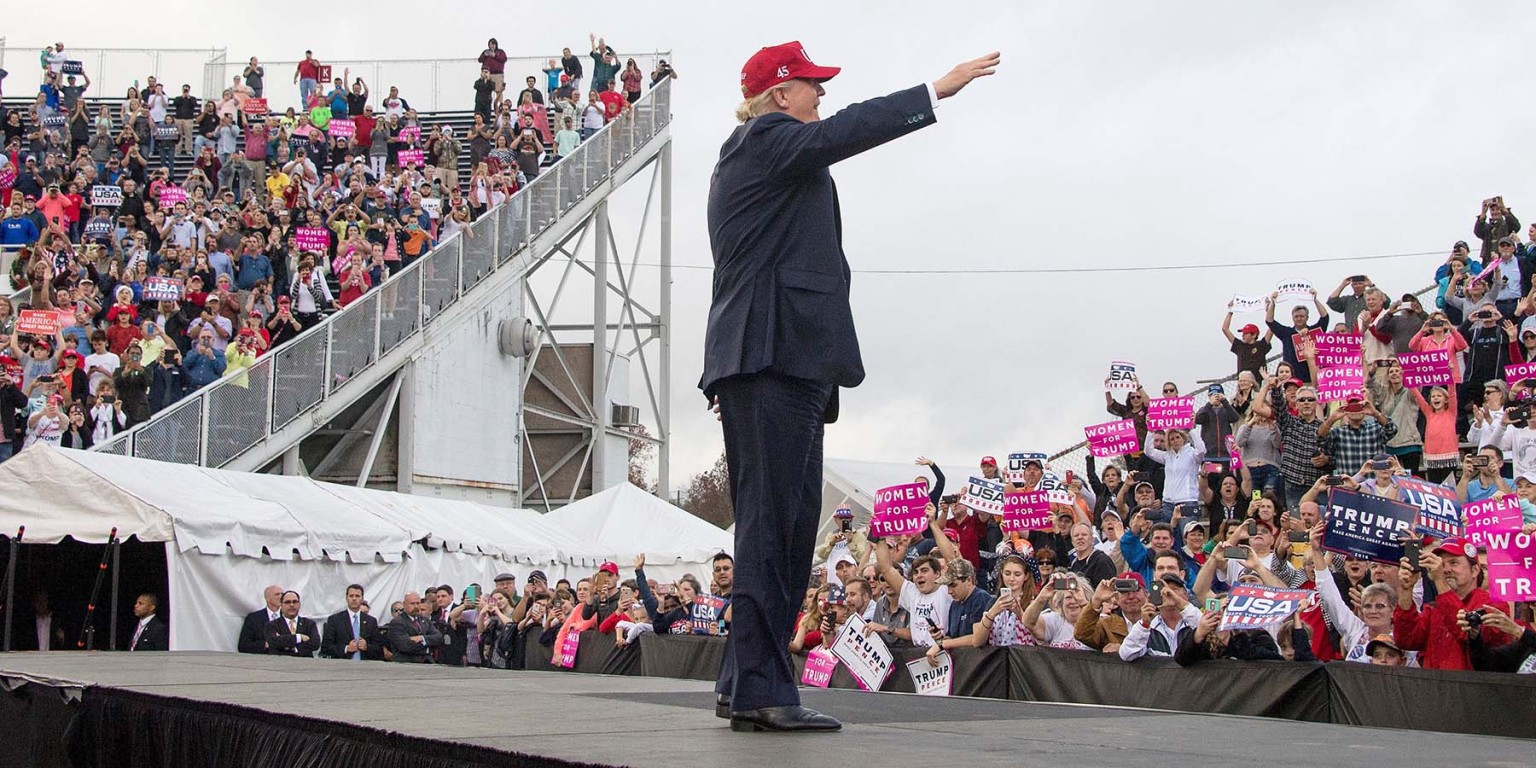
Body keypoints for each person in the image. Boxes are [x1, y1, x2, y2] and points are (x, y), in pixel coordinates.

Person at [701, 42, 998, 733]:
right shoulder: (766, 140)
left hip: (778, 358)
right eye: (812, 84)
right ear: (780, 95)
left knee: (779, 527)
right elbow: (845, 130)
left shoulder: (764, 154)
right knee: (776, 530)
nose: (822, 94)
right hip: (773, 358)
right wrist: (933, 91)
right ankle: (761, 691)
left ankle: (743, 679)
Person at [1394, 538, 1514, 670]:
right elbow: (1405, 640)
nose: (1445, 570)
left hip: (1473, 683)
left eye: (1454, 563)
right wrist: (1406, 590)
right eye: (1442, 564)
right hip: (1435, 682)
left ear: (1475, 570)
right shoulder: (1434, 608)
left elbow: (1467, 635)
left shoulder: (1494, 605)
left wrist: (1440, 580)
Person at [321, 583, 383, 661]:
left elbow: (379, 649)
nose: (354, 599)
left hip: (365, 665)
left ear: (362, 599)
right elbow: (325, 647)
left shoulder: (371, 621)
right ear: (346, 598)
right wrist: (346, 648)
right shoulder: (334, 620)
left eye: (357, 596)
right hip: (342, 665)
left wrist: (367, 647)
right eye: (351, 596)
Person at [386, 591, 444, 663]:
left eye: (418, 603)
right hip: (407, 663)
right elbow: (405, 646)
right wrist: (427, 648)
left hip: (428, 663)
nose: (416, 606)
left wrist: (422, 638)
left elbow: (439, 637)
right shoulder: (397, 622)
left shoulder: (424, 620)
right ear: (404, 604)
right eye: (412, 604)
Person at [265, 590, 320, 657]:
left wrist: (293, 648)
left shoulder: (309, 624)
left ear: (299, 604)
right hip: (280, 662)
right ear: (281, 605)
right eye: (287, 602)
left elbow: (315, 643)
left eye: (295, 602)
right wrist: (299, 637)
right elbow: (273, 642)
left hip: (304, 662)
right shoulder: (272, 625)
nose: (291, 605)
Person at [237, 584, 283, 654]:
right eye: (277, 594)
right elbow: (243, 645)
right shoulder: (253, 618)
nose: (281, 597)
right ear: (267, 598)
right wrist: (266, 644)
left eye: (282, 594)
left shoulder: (290, 618)